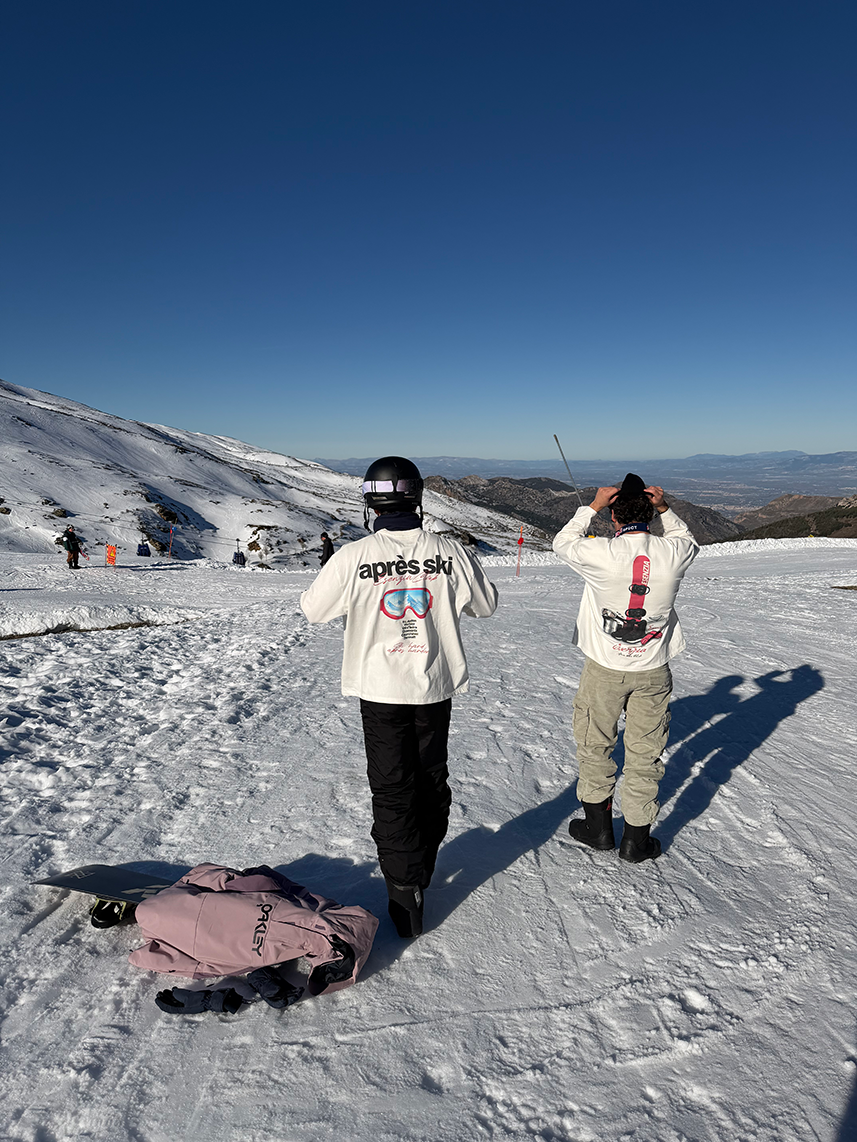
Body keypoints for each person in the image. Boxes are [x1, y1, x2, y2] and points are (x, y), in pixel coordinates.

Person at [300, 456, 498, 937]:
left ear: (370, 501)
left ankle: (404, 891)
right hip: (433, 684)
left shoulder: (353, 556)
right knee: (431, 778)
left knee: (392, 788)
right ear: (418, 497)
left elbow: (313, 610)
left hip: (379, 687)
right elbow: (485, 606)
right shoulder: (449, 551)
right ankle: (421, 869)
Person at [553, 474, 699, 862]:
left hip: (604, 667)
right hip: (653, 668)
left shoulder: (599, 552)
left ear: (615, 518)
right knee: (645, 752)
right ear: (649, 515)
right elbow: (686, 538)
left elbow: (562, 542)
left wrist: (594, 505)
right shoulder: (673, 553)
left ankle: (598, 829)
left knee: (595, 745)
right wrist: (664, 507)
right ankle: (637, 838)